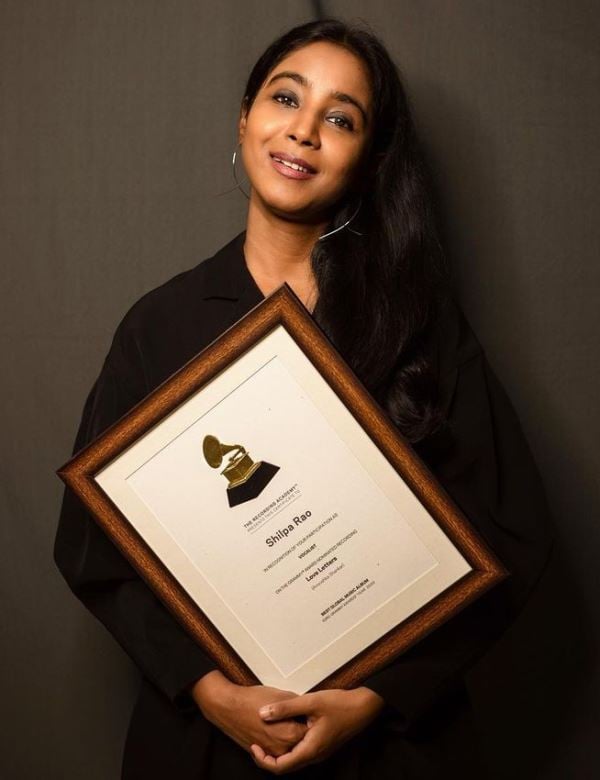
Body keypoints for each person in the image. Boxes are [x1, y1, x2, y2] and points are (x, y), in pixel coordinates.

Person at [53, 17, 555, 779]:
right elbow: (92, 543)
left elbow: (513, 528)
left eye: (340, 118)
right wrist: (209, 690)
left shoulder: (419, 325)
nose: (303, 131)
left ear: (369, 161)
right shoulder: (159, 326)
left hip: (391, 751)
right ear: (245, 118)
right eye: (286, 98)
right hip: (205, 748)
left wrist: (377, 697)